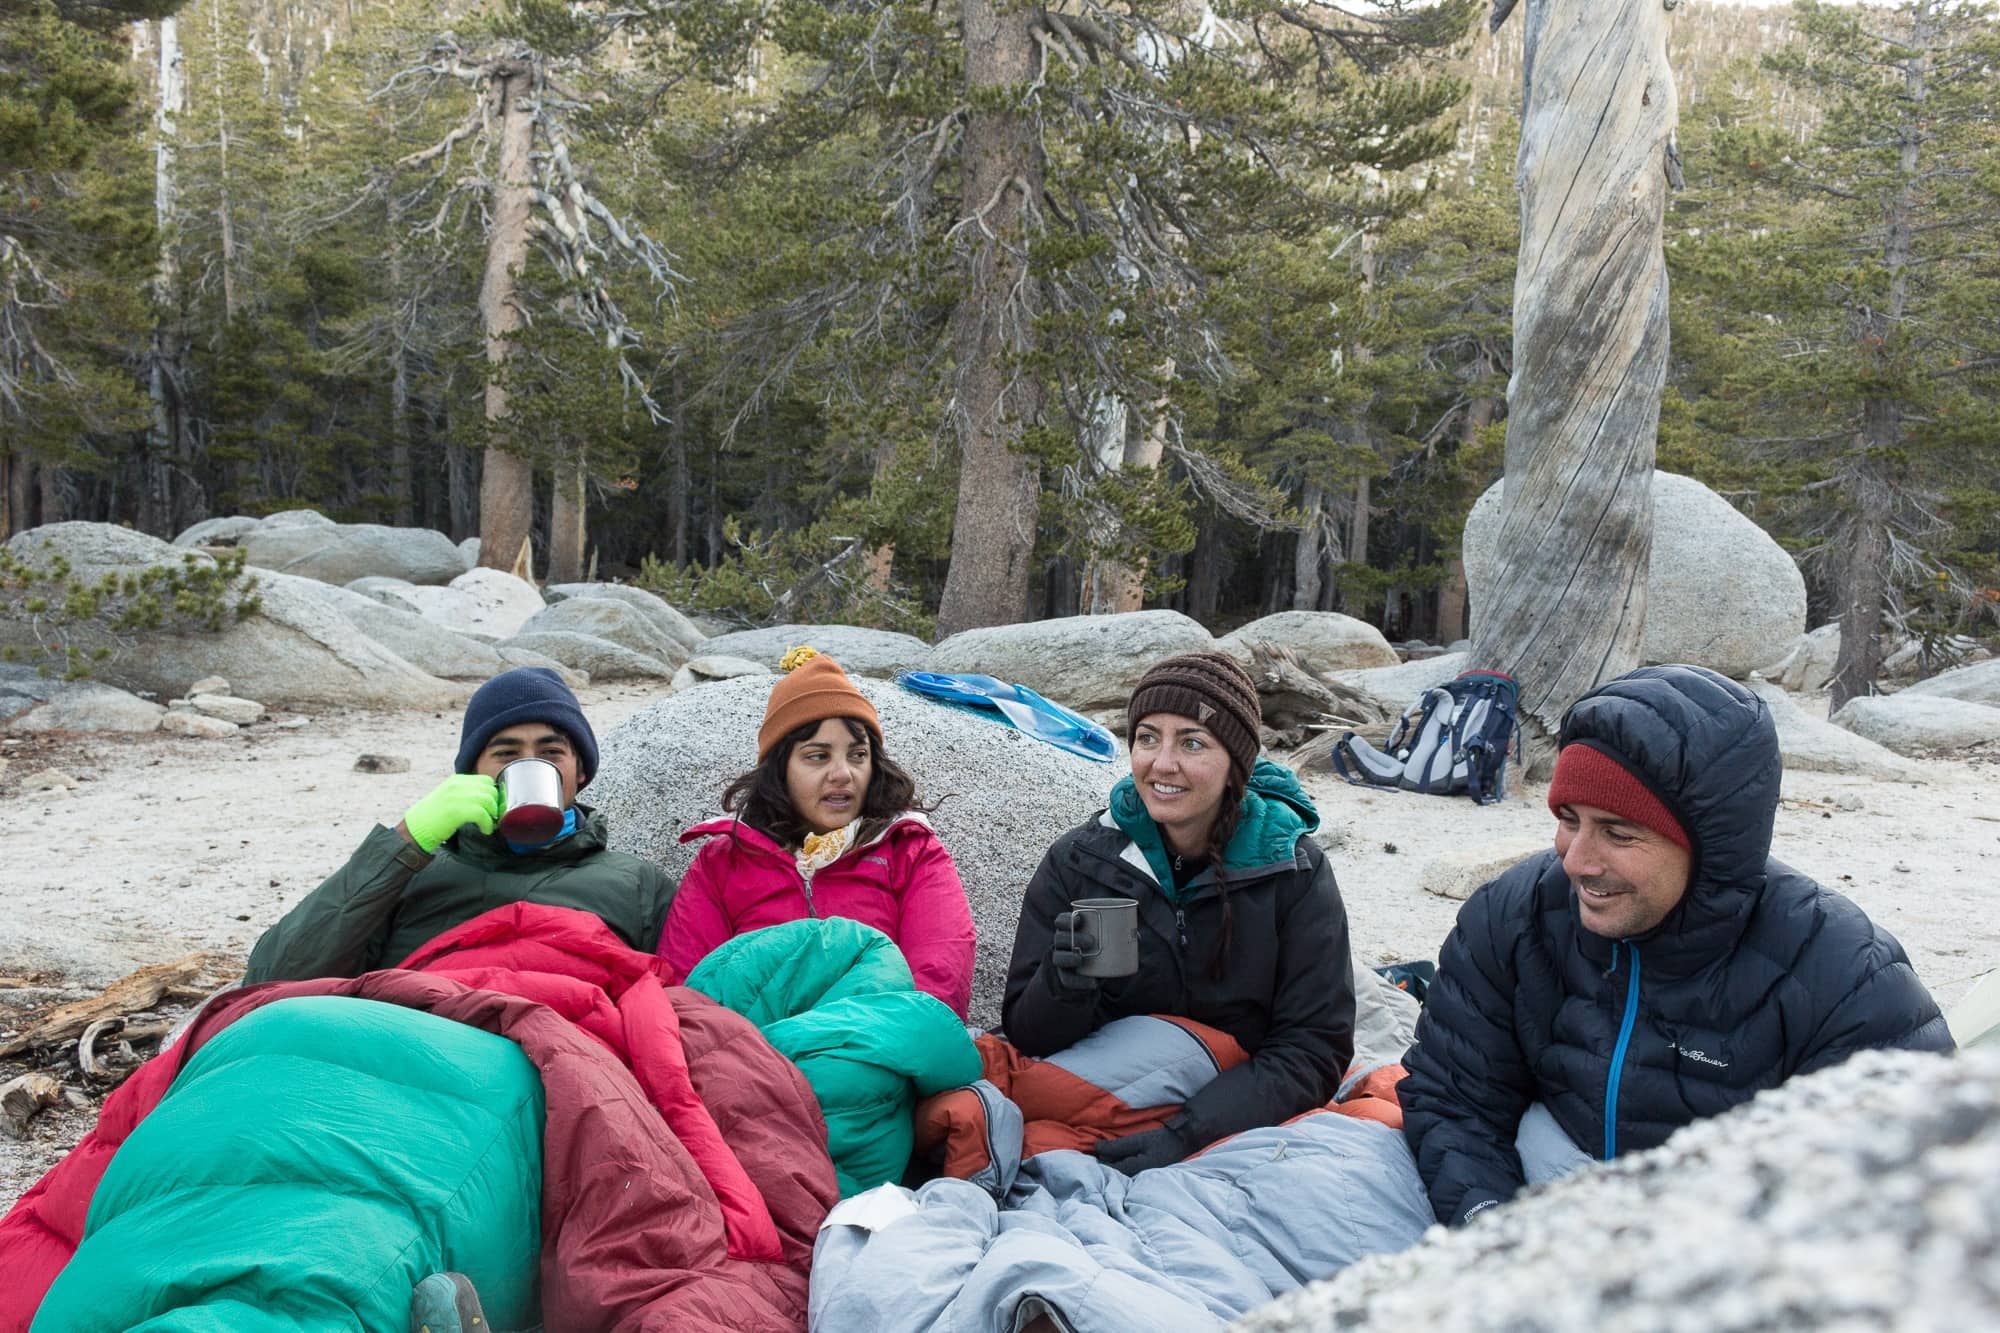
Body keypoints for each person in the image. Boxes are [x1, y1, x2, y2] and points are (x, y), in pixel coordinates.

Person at [1399, 664, 1954, 1227]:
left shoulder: (1843, 971)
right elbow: (1453, 1097)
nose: (1577, 861)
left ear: (1711, 846)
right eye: (1569, 820)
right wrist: (1489, 1229)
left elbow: (1904, 1193)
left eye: (1618, 833)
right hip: (1549, 1182)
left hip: (1727, 1239)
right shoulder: (1515, 912)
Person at [1002, 651, 1355, 1174]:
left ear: (1236, 760)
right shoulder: (1084, 860)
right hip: (1116, 1088)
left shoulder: (1293, 871)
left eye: (1192, 742)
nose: (1162, 764)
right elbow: (1028, 1035)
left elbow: (1314, 1046)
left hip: (1233, 1102)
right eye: (1147, 738)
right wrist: (1066, 983)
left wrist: (1188, 1133)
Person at [245, 666, 675, 981]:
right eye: (506, 754)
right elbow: (274, 976)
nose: (529, 765)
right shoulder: (412, 871)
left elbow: (678, 1000)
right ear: (471, 773)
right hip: (419, 1039)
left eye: (550, 753)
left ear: (580, 772)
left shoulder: (636, 883)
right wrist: (408, 839)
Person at [657, 648, 977, 1018]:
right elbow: (687, 991)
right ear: (780, 769)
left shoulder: (909, 850)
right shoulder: (723, 862)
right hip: (753, 1057)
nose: (843, 773)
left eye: (857, 755)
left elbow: (940, 979)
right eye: (817, 756)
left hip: (880, 1049)